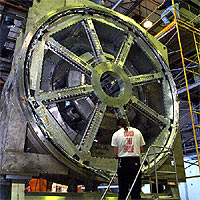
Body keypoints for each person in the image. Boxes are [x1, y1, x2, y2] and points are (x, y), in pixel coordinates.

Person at [111, 118, 146, 200]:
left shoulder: (116, 134)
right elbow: (141, 149)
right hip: (135, 163)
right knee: (136, 190)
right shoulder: (137, 132)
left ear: (119, 126)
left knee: (123, 190)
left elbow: (116, 153)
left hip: (123, 163)